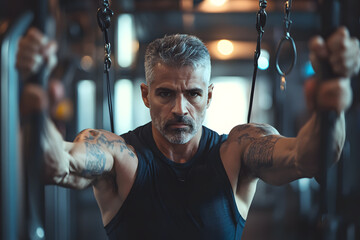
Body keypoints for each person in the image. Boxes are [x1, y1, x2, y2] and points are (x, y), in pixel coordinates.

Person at [17, 26, 360, 239]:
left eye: (193, 94)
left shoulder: (237, 150)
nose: (180, 109)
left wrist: (332, 106)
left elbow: (309, 158)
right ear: (146, 95)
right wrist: (34, 99)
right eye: (166, 93)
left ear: (208, 96)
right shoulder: (118, 154)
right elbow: (56, 164)